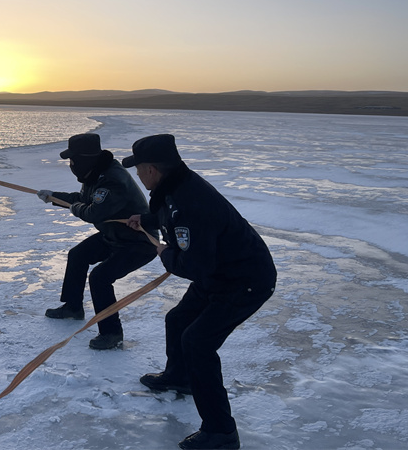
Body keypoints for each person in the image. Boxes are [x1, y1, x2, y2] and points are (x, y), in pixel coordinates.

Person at [123, 134, 277, 450]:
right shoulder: (175, 187)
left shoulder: (191, 201)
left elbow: (193, 265)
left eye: (138, 169)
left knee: (198, 343)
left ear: (151, 169)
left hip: (245, 281)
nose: (137, 175)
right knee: (178, 320)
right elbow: (171, 214)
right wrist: (147, 219)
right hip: (220, 274)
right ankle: (179, 378)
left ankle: (221, 433)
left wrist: (165, 255)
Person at [37, 133, 157, 350]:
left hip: (138, 242)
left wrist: (74, 208)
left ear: (84, 158)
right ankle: (73, 307)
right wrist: (54, 196)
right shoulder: (95, 173)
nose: (71, 164)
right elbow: (83, 200)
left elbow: (94, 212)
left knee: (100, 278)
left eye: (73, 159)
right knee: (78, 255)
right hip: (114, 235)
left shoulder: (112, 179)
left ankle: (112, 333)